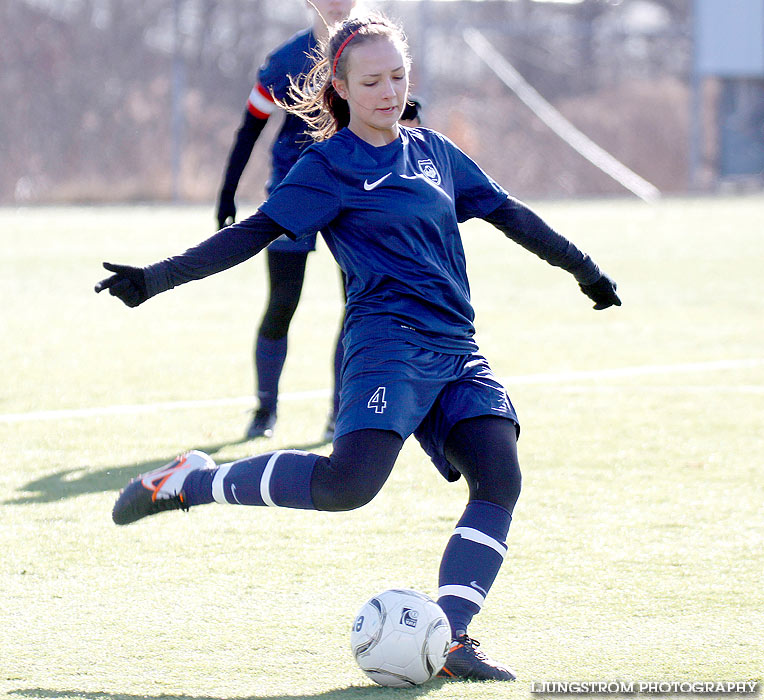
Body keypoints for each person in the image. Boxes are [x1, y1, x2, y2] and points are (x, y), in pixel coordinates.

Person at [96, 13, 621, 682]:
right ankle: (188, 483)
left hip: (457, 349)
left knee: (501, 477)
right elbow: (253, 233)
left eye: (398, 76)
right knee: (347, 488)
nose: (388, 91)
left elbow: (508, 211)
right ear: (340, 88)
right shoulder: (328, 166)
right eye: (371, 80)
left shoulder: (432, 151)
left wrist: (584, 270)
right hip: (386, 349)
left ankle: (452, 637)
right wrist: (156, 277)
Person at [217, 0, 357, 441]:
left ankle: (342, 412)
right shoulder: (286, 60)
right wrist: (227, 192)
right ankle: (265, 411)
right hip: (294, 193)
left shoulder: (372, 46)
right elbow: (250, 128)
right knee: (283, 302)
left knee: (358, 307)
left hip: (355, 196)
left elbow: (398, 114)